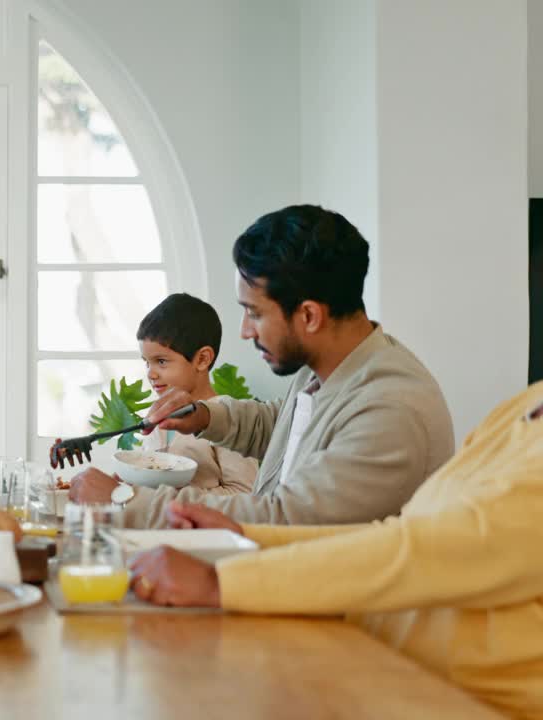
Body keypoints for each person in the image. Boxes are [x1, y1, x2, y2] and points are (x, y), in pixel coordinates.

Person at [125, 382, 543, 719]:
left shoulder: (394, 398)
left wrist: (219, 581)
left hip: (454, 701)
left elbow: (432, 551)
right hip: (379, 670)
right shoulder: (524, 407)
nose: (246, 329)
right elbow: (405, 531)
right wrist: (248, 537)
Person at [70, 205, 454, 527]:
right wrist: (204, 417)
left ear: (309, 315)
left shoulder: (389, 409)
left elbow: (286, 519)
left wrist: (126, 499)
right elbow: (286, 429)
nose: (244, 331)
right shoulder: (328, 369)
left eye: (254, 313)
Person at [133, 293, 256, 495]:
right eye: (146, 362)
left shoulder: (230, 420)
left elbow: (244, 492)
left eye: (161, 361)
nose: (151, 373)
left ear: (202, 359)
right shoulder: (155, 418)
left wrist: (174, 501)